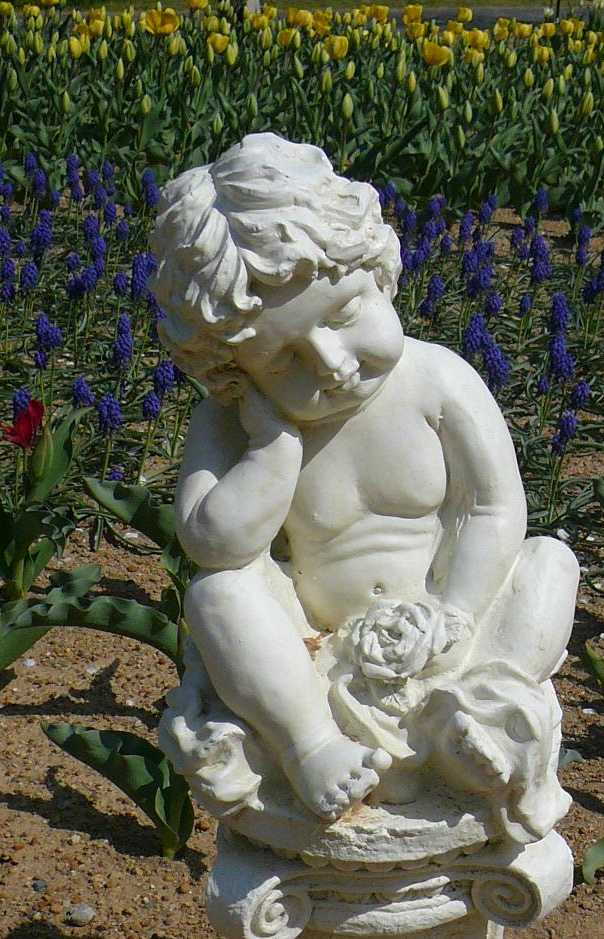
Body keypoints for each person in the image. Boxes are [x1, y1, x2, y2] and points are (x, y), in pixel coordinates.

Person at [151, 134, 579, 830]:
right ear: (235, 371)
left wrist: (456, 615)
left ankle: (476, 714)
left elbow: (492, 507)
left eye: (345, 314)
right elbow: (212, 542)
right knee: (218, 593)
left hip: (448, 632)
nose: (331, 364)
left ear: (378, 272)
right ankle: (311, 745)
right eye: (283, 361)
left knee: (549, 564)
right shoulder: (234, 421)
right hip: (318, 650)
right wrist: (272, 451)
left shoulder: (436, 380)